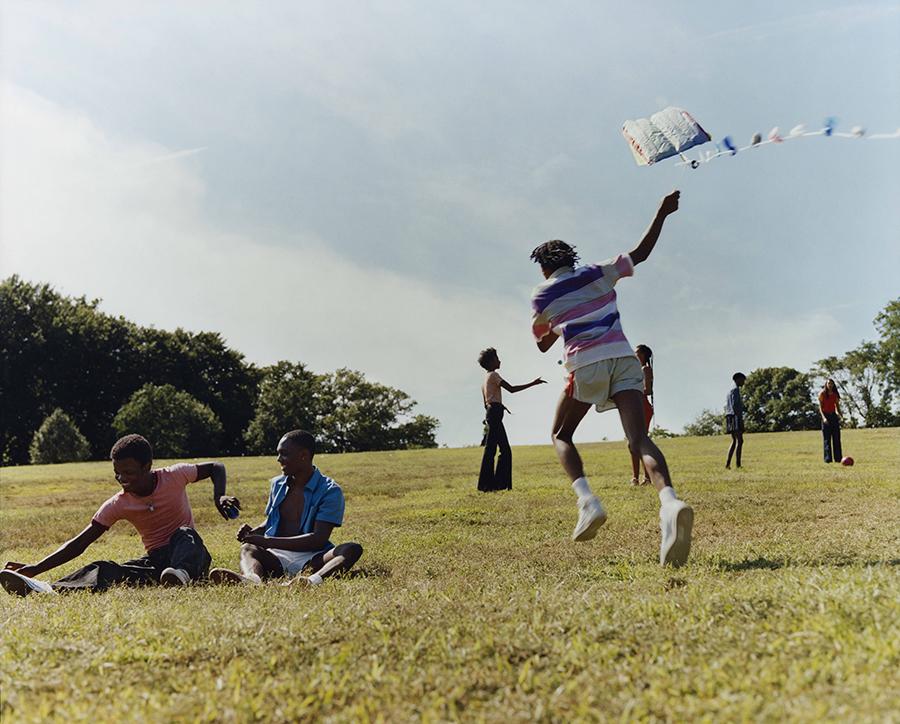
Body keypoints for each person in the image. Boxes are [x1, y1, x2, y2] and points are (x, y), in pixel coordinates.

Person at [529, 190, 694, 567]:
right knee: (639, 439)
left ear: (543, 268)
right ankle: (670, 502)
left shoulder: (541, 295)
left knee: (561, 434)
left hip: (585, 362)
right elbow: (641, 253)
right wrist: (662, 211)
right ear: (571, 259)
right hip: (623, 358)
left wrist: (560, 321)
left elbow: (541, 344)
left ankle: (588, 501)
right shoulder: (597, 272)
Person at [0, 434, 239, 596]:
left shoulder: (174, 475)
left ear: (147, 467)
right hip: (156, 563)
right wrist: (36, 568)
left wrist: (219, 496)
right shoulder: (118, 503)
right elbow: (80, 543)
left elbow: (216, 467)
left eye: (129, 472)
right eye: (117, 473)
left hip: (190, 555)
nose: (122, 479)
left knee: (185, 534)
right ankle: (46, 589)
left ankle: (182, 575)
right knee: (104, 569)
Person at [209, 430, 362, 586]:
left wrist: (268, 542)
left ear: (303, 455)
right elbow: (272, 521)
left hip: (314, 558)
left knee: (351, 549)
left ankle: (310, 581)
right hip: (276, 557)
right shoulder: (277, 484)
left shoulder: (330, 490)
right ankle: (252, 580)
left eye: (284, 454)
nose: (278, 459)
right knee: (248, 548)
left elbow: (318, 539)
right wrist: (253, 533)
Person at [476, 347, 546, 492]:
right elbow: (512, 389)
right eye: (496, 358)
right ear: (491, 362)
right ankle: (494, 485)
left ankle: (490, 485)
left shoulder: (485, 380)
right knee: (503, 450)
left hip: (492, 413)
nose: (499, 360)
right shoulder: (494, 375)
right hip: (495, 413)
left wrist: (495, 409)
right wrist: (533, 383)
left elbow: (485, 403)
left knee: (493, 449)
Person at [629, 344, 654, 486]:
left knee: (639, 443)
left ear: (643, 355)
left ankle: (646, 478)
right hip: (634, 406)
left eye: (636, 353)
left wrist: (631, 391)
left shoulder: (645, 369)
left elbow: (648, 390)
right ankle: (636, 478)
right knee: (632, 443)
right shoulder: (635, 370)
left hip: (643, 407)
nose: (634, 355)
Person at [819, 378, 843, 463]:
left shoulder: (835, 395)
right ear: (826, 384)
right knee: (827, 439)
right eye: (828, 383)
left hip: (833, 416)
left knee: (836, 438)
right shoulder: (822, 394)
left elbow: (837, 407)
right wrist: (824, 418)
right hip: (826, 416)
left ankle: (838, 458)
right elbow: (820, 408)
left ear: (833, 385)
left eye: (831, 383)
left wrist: (840, 416)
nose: (830, 385)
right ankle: (828, 459)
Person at [725, 372, 746, 469]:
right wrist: (740, 419)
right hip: (735, 417)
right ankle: (738, 464)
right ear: (738, 379)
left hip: (729, 416)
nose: (744, 382)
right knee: (740, 441)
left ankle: (728, 464)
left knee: (734, 441)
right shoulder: (735, 390)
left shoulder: (729, 391)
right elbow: (735, 405)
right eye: (743, 380)